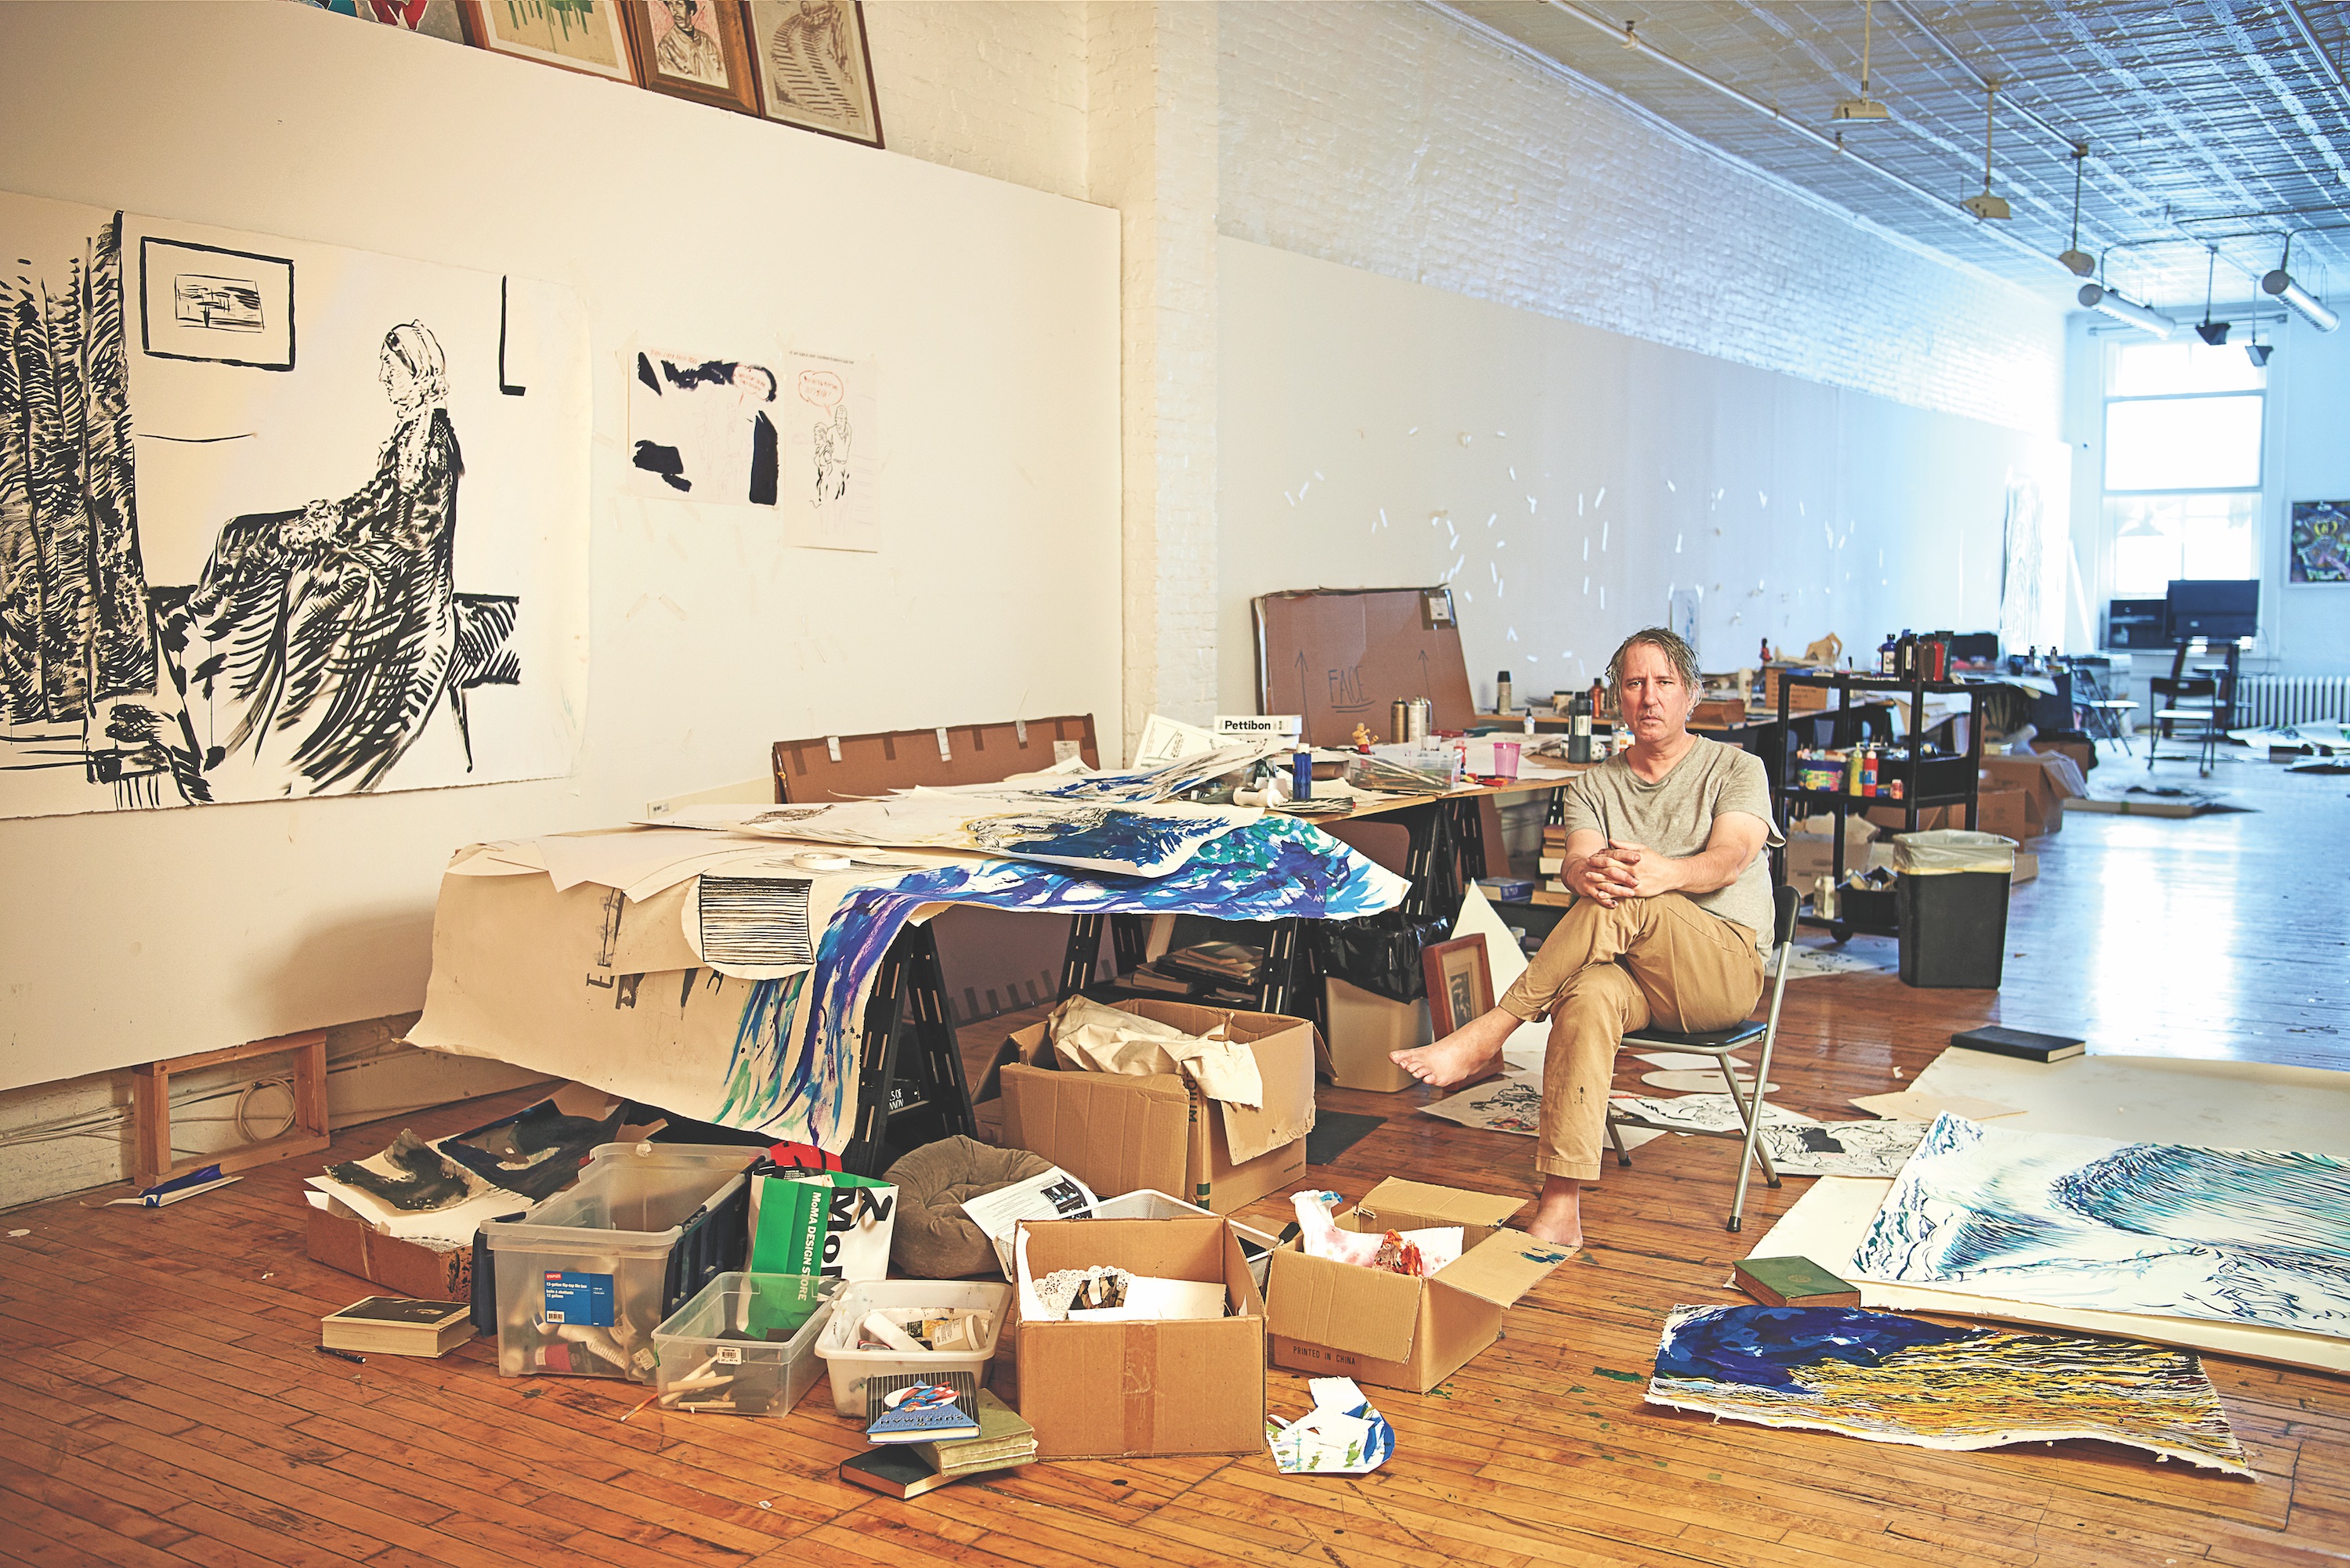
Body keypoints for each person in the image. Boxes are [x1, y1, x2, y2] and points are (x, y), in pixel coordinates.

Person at [1391, 627, 1782, 1249]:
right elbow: (1577, 865)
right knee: (1587, 994)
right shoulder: (1592, 785)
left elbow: (1731, 859)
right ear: (1614, 700)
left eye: (1664, 683)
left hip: (1720, 969)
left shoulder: (1736, 768)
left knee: (1633, 900)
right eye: (1634, 684)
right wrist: (1587, 871)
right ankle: (1561, 1206)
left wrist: (1666, 874)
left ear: (1692, 696)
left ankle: (1490, 1031)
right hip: (1637, 977)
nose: (1648, 698)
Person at [168, 320, 465, 794]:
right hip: (377, 547)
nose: (385, 376)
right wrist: (334, 517)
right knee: (246, 531)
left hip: (403, 578)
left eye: (393, 368)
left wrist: (338, 533)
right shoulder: (411, 431)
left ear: (418, 373)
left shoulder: (429, 441)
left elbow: (414, 530)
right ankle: (209, 628)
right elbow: (379, 497)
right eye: (383, 366)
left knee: (305, 579)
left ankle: (224, 667)